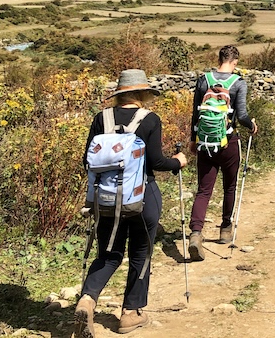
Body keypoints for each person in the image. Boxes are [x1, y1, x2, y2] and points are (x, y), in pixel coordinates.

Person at [75, 69, 186, 337]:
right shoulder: (150, 120)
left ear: (119, 94)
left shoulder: (101, 118)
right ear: (143, 93)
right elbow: (156, 162)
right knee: (140, 253)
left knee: (108, 254)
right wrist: (178, 162)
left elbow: (86, 160)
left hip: (106, 199)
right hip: (142, 196)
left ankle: (87, 300)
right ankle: (130, 313)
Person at [187, 44, 257, 261]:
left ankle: (196, 233)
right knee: (229, 186)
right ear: (235, 62)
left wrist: (193, 139)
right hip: (228, 142)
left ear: (219, 59)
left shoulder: (203, 80)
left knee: (203, 190)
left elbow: (195, 113)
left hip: (205, 142)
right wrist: (252, 125)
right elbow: (242, 115)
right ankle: (225, 229)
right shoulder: (238, 83)